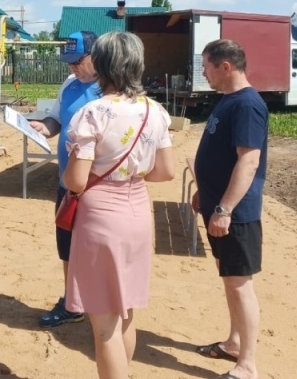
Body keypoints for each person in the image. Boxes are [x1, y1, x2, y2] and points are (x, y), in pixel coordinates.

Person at [62, 31, 175, 379]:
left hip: (101, 217)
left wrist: (70, 176)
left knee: (103, 323)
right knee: (125, 312)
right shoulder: (154, 111)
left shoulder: (92, 113)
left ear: (103, 65)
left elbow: (77, 181)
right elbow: (165, 171)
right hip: (138, 209)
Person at [191, 39, 268, 379]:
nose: (203, 73)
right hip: (217, 208)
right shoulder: (228, 100)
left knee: (239, 284)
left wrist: (223, 208)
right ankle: (235, 343)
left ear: (225, 66)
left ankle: (247, 365)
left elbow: (249, 161)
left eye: (206, 66)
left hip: (235, 214)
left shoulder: (247, 104)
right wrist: (204, 196)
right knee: (229, 279)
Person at [29, 30, 100, 328]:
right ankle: (73, 302)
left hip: (97, 187)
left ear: (96, 56)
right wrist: (41, 127)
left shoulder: (109, 89)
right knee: (67, 246)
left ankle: (100, 304)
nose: (72, 67)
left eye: (78, 61)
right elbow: (56, 119)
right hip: (67, 184)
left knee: (96, 249)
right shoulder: (70, 84)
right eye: (68, 61)